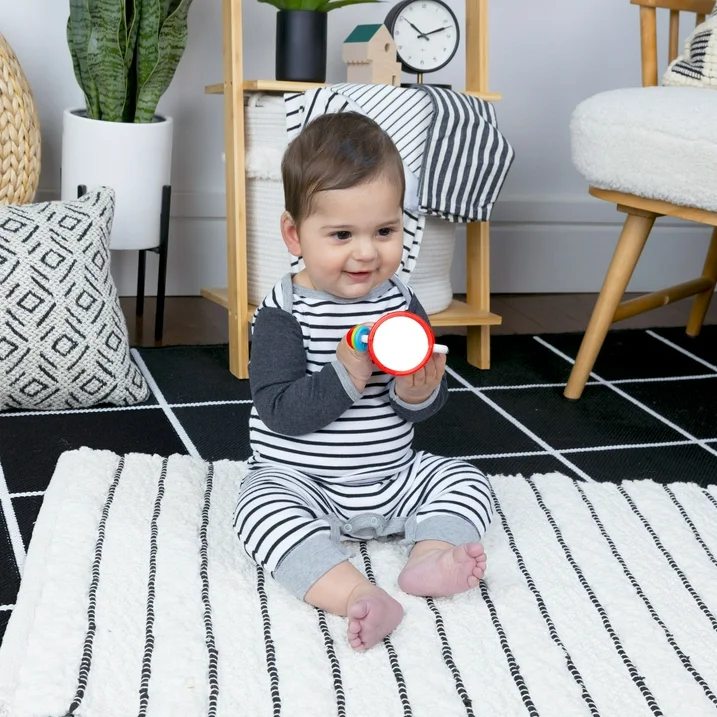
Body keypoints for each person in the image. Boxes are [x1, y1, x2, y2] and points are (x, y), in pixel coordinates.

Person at [235, 111, 493, 651]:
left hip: (393, 476)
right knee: (258, 509)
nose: (366, 252)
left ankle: (429, 558)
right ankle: (353, 591)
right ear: (294, 235)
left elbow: (417, 402)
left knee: (464, 478)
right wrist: (346, 375)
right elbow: (279, 412)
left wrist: (417, 393)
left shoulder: (401, 301)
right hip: (303, 480)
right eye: (341, 234)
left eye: (384, 231)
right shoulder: (283, 311)